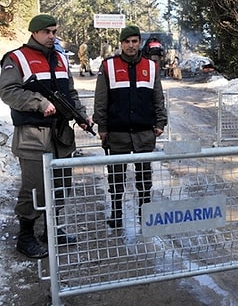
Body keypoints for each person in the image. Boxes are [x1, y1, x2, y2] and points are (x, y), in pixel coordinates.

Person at [0, 14, 93, 258]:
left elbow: (70, 92)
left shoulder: (61, 58)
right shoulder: (16, 58)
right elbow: (8, 91)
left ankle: (52, 230)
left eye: (54, 31)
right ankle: (26, 236)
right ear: (34, 33)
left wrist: (82, 116)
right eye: (47, 32)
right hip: (33, 135)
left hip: (61, 134)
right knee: (35, 188)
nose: (52, 36)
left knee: (61, 185)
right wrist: (38, 103)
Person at [93, 25, 167, 229]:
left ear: (139, 43)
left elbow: (157, 97)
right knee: (116, 177)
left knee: (144, 177)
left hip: (144, 132)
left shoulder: (151, 66)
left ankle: (145, 214)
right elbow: (101, 99)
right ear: (121, 44)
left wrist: (161, 121)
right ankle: (116, 213)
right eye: (127, 42)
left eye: (135, 41)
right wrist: (102, 127)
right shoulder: (108, 66)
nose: (131, 45)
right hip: (117, 133)